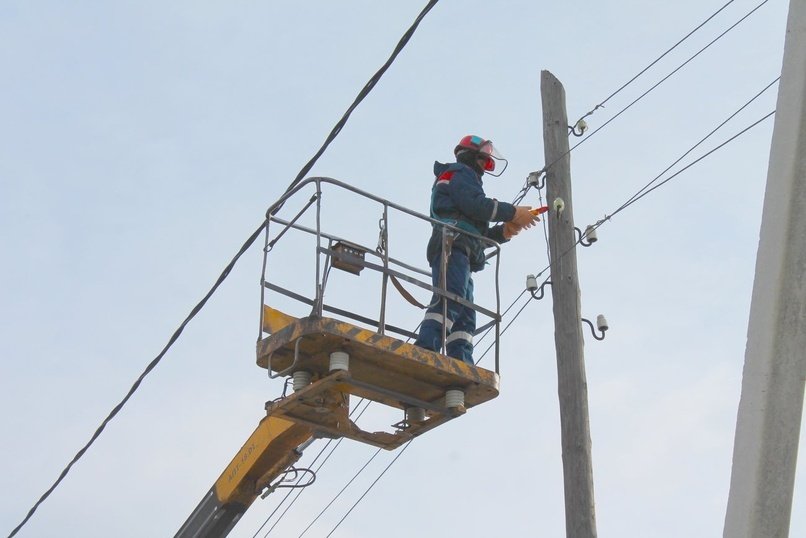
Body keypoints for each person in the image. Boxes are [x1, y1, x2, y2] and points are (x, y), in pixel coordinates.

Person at [414, 135, 537, 365]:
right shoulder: (460, 173)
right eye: (483, 161)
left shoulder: (460, 180)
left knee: (465, 312)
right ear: (470, 156)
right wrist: (512, 212)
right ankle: (425, 349)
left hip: (461, 248)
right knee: (451, 298)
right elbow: (476, 205)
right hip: (452, 244)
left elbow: (476, 231)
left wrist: (505, 232)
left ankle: (461, 361)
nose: (483, 167)